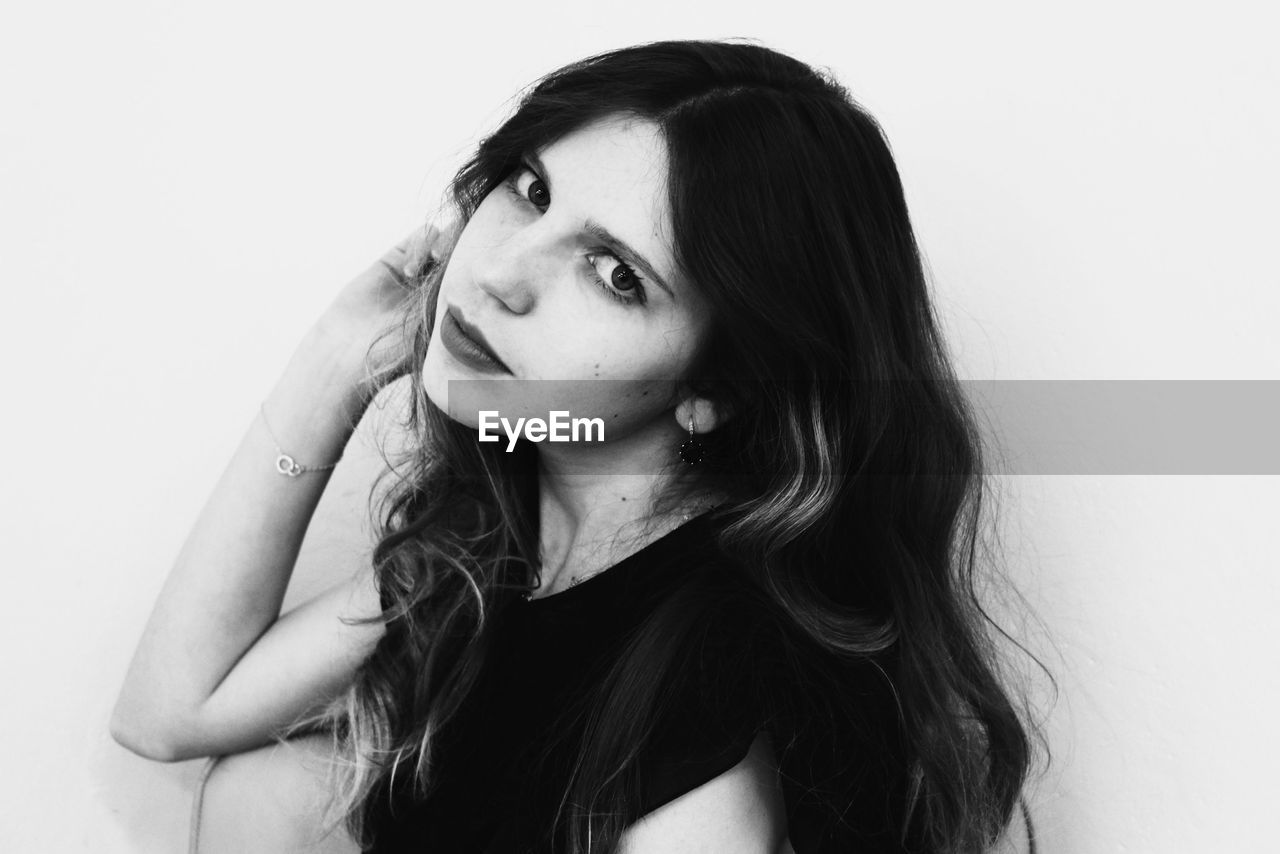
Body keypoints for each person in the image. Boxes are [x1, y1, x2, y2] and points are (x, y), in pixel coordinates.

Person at [111, 38, 1042, 854]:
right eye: (532, 190)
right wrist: (335, 365)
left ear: (717, 392)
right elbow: (173, 713)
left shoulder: (713, 705)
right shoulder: (513, 537)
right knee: (276, 791)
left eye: (614, 275)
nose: (503, 273)